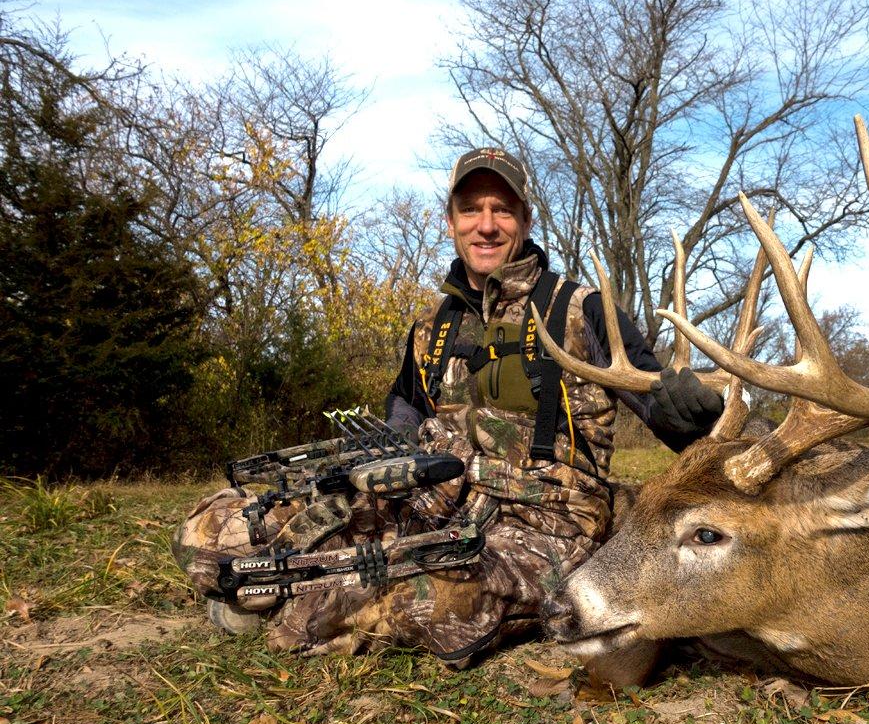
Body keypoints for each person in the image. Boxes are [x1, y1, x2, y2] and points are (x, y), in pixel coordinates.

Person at [171, 146, 723, 666]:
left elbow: (656, 400)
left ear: (524, 221)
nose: (486, 225)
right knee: (213, 527)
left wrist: (690, 414)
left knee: (428, 601)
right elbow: (404, 410)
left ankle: (280, 601)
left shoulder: (581, 309)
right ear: (452, 218)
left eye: (501, 210)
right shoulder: (431, 326)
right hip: (433, 503)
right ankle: (286, 588)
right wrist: (373, 470)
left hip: (544, 520)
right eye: (471, 209)